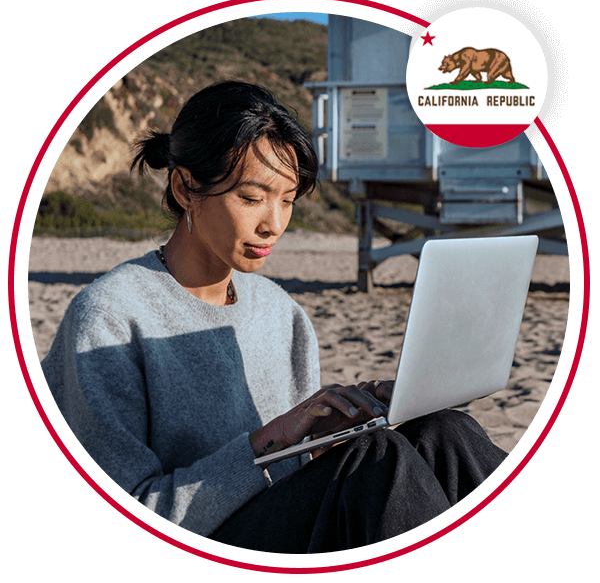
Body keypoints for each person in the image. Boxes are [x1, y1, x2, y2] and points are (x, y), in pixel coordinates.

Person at [41, 81, 507, 553]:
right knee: (377, 460)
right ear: (185, 187)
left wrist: (323, 436)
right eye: (251, 197)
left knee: (444, 431)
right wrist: (269, 438)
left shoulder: (280, 311)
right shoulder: (109, 319)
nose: (274, 224)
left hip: (277, 528)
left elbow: (297, 478)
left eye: (287, 199)